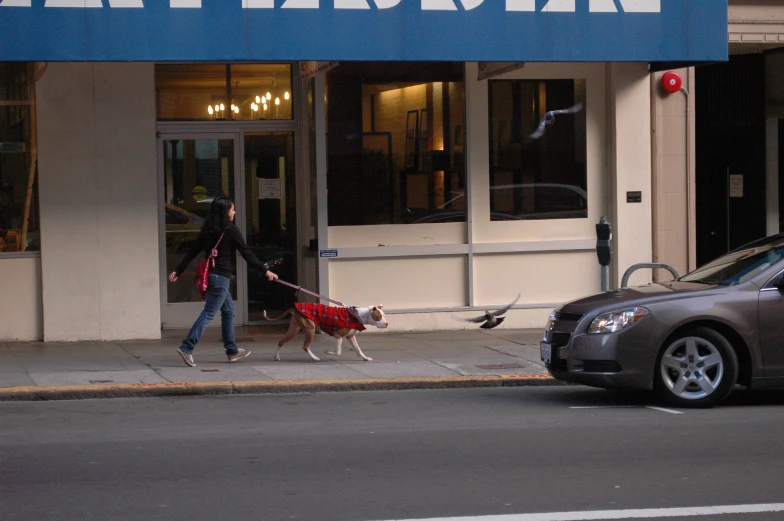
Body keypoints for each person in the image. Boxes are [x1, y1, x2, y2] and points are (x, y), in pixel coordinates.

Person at [168, 197, 278, 367]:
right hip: (221, 277)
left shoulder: (208, 229)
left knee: (228, 311)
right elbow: (246, 253)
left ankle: (232, 350)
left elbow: (193, 251)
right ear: (225, 211)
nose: (234, 212)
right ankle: (187, 347)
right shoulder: (230, 230)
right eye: (232, 209)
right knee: (209, 313)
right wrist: (265, 271)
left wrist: (178, 270)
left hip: (212, 275)